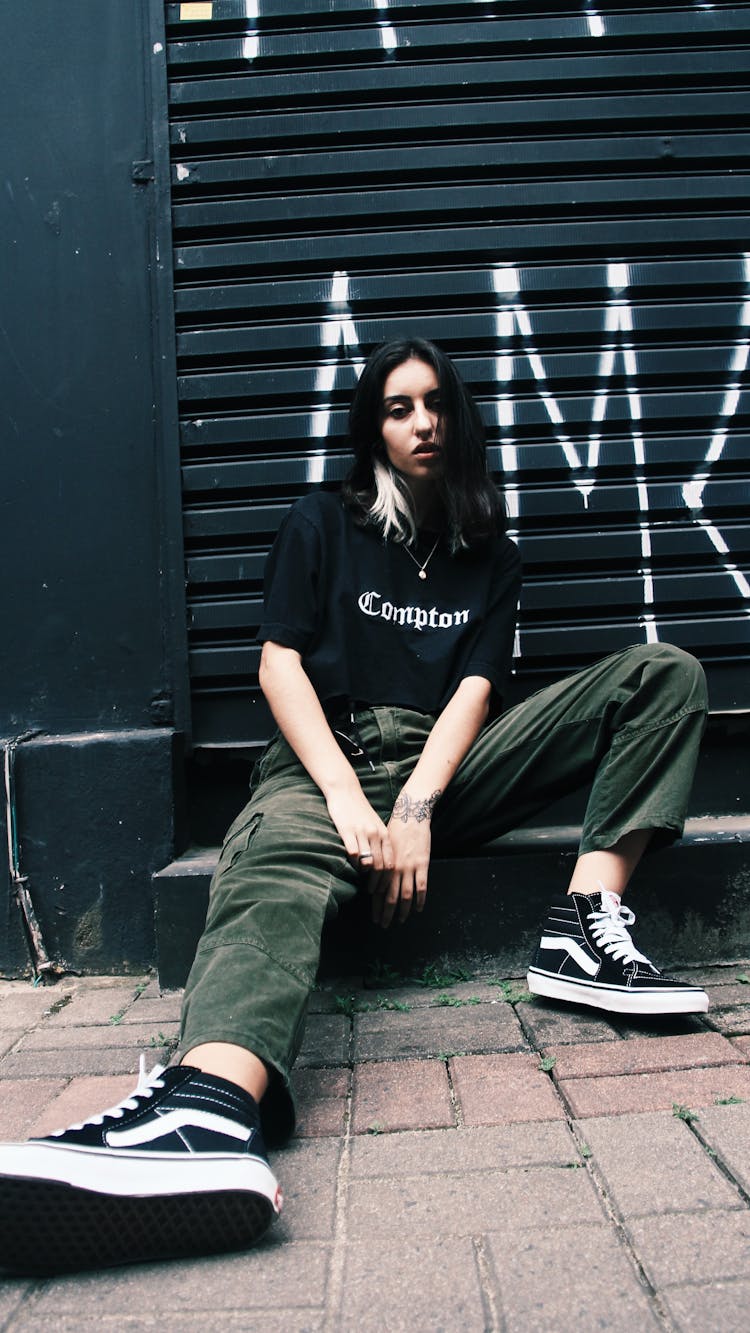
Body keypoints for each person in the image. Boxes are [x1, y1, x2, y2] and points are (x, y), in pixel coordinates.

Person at [0, 338, 709, 1275]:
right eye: (398, 407)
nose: (422, 423)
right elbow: (277, 662)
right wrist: (345, 794)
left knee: (664, 674)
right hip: (323, 763)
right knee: (273, 869)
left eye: (435, 405)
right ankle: (206, 1110)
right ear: (371, 425)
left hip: (442, 773)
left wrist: (415, 803)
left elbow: (475, 694)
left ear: (457, 419)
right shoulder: (321, 523)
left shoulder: (489, 555)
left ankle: (583, 922)